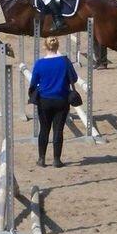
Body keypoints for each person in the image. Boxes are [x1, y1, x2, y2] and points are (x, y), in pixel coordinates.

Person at [28, 36, 78, 168]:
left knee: (44, 129)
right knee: (58, 130)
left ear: (45, 46)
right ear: (58, 46)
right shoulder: (65, 62)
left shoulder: (39, 63)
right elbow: (74, 78)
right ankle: (56, 159)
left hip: (44, 100)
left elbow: (33, 82)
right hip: (61, 99)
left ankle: (41, 158)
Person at [89, 0, 110, 67]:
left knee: (102, 41)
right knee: (94, 41)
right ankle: (98, 60)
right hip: (94, 18)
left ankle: (103, 61)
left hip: (102, 19)